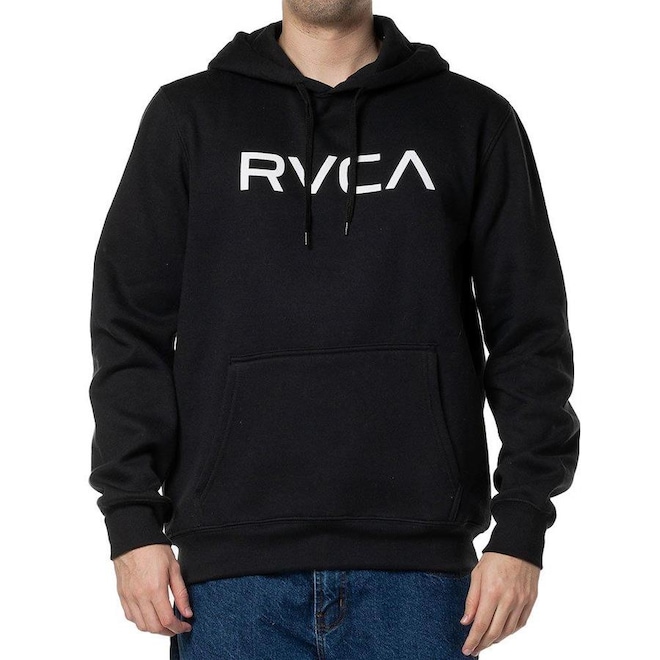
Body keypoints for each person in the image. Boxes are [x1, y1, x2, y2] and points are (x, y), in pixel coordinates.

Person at [88, 1, 580, 658]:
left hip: (422, 579)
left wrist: (522, 525)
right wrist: (131, 521)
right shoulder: (189, 117)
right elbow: (128, 326)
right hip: (230, 580)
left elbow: (530, 334)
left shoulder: (471, 118)